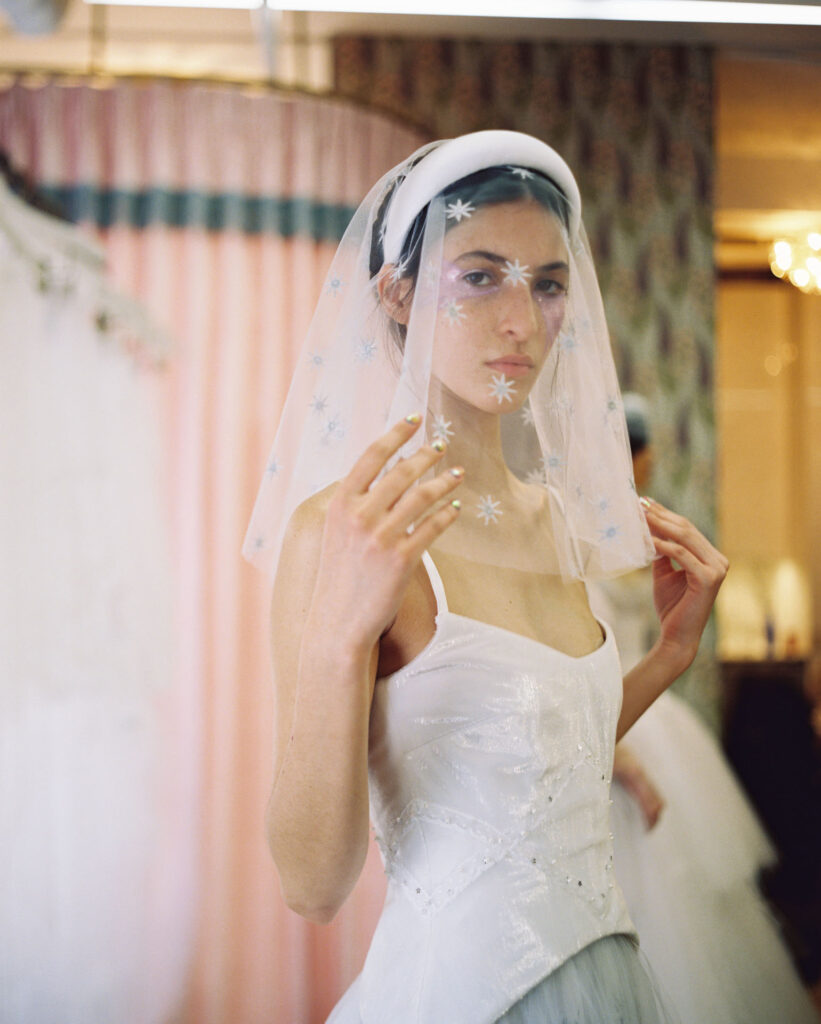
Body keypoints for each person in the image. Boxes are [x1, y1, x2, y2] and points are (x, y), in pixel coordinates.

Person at [244, 131, 727, 1023]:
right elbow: (311, 887)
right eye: (479, 276)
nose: (521, 321)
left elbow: (534, 774)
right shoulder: (344, 530)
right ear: (396, 293)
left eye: (546, 284)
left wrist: (668, 654)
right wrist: (337, 641)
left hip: (607, 980)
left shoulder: (558, 521)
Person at [590, 394, 820, 1024]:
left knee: (687, 896)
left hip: (653, 712)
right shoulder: (572, 535)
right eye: (636, 451)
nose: (643, 464)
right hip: (612, 720)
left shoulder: (645, 528)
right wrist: (621, 758)